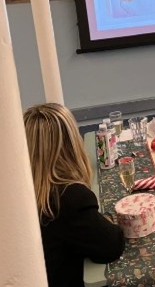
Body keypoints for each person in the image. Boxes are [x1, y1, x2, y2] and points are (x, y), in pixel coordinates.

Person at [24, 103, 125, 287]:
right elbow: (112, 245)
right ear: (70, 144)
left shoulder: (25, 195)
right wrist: (108, 219)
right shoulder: (69, 198)